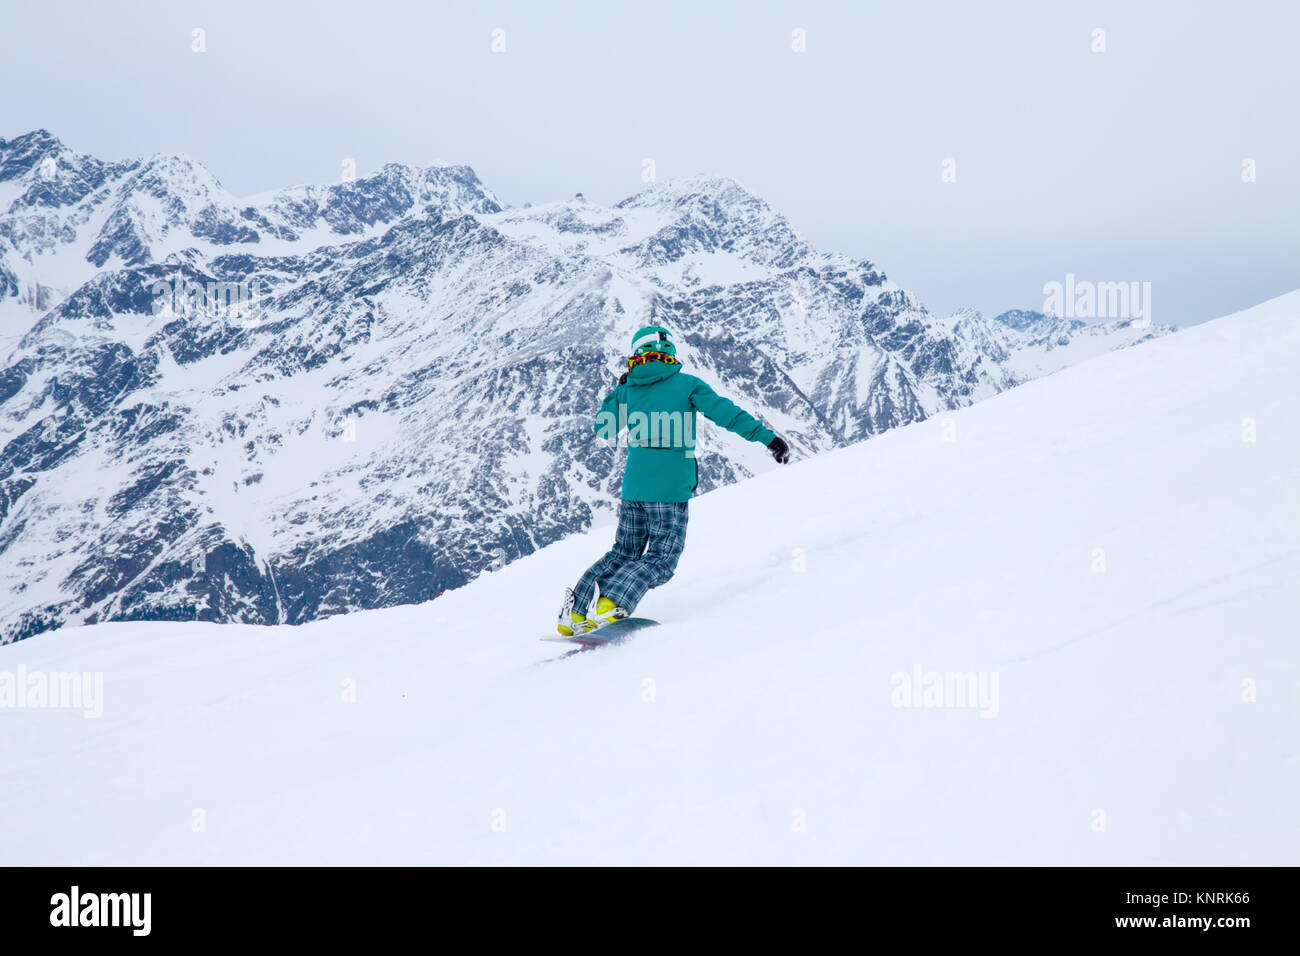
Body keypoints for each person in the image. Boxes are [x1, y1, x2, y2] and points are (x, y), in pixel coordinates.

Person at [557, 325, 791, 635]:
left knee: (623, 552)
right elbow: (728, 415)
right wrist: (768, 439)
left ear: (636, 354)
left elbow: (604, 429)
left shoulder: (628, 390)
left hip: (634, 488)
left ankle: (574, 612)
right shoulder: (687, 385)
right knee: (661, 558)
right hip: (669, 489)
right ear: (668, 352)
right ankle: (613, 601)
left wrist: (619, 390)